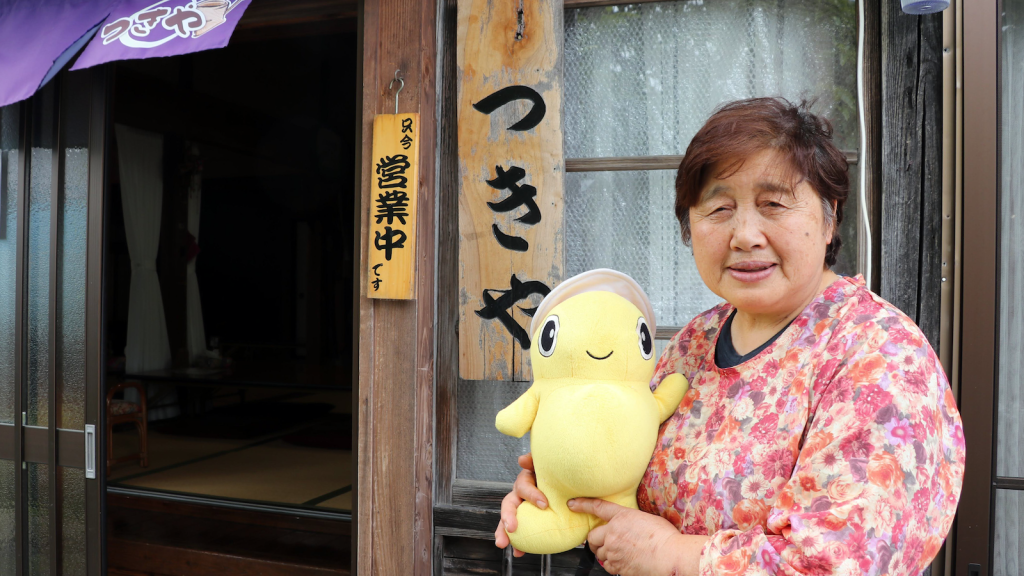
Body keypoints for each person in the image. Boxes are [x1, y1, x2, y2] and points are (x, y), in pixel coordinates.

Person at [494, 97, 965, 576]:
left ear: (830, 216)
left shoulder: (878, 356)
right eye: (719, 208)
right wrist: (553, 485)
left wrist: (675, 556)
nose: (745, 235)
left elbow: (845, 561)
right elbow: (625, 462)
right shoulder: (695, 341)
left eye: (773, 204)